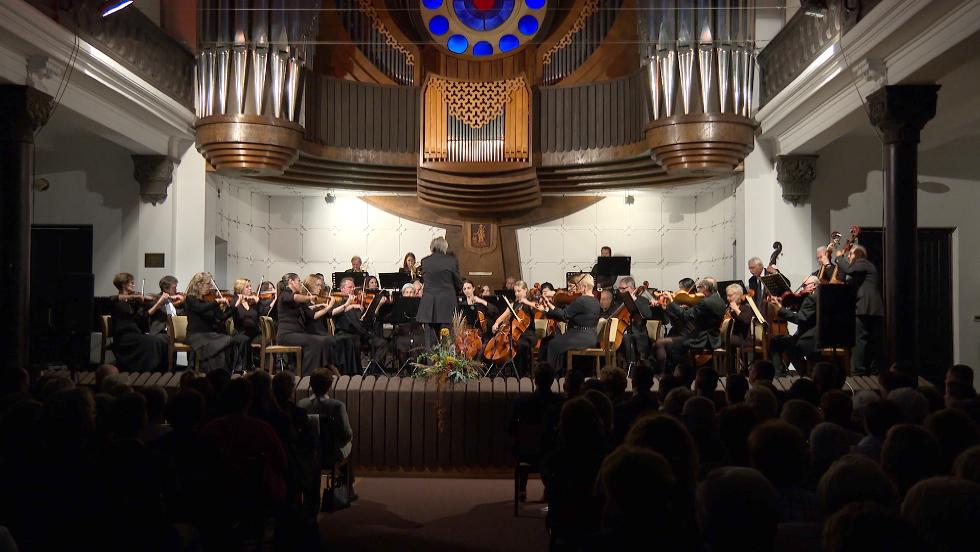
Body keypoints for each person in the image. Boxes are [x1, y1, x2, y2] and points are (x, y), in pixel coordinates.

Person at [654, 278, 726, 374]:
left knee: (663, 344)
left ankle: (675, 374)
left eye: (699, 287)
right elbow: (701, 315)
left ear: (705, 287)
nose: (698, 290)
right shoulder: (719, 300)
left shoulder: (705, 302)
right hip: (712, 338)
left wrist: (671, 302)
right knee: (668, 343)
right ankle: (678, 372)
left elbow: (685, 316)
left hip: (701, 339)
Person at [833, 244, 884, 374]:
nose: (849, 257)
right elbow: (841, 279)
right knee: (866, 341)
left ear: (858, 254)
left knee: (862, 341)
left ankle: (860, 371)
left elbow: (849, 270)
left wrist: (839, 258)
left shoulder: (863, 263)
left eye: (850, 254)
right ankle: (866, 371)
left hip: (867, 307)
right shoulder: (860, 270)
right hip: (868, 308)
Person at [538, 273, 601, 375]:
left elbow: (564, 315)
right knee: (550, 341)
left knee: (553, 344)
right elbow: (567, 314)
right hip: (590, 336)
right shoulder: (594, 300)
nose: (577, 288)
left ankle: (552, 376)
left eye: (579, 285)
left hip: (580, 336)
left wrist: (545, 310)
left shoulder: (581, 300)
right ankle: (559, 373)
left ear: (584, 287)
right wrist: (549, 305)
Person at [275, 273, 335, 375]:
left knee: (323, 340)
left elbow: (311, 313)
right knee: (315, 342)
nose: (300, 284)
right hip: (286, 335)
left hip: (297, 334)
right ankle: (307, 376)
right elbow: (295, 298)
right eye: (298, 281)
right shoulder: (284, 294)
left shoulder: (299, 298)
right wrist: (309, 298)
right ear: (291, 281)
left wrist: (319, 306)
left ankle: (321, 372)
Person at [182, 272, 242, 373]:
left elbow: (221, 317)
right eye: (208, 284)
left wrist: (234, 307)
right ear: (199, 284)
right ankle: (211, 371)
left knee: (228, 341)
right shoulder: (190, 299)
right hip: (196, 335)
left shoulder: (210, 300)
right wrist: (216, 302)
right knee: (225, 341)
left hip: (210, 334)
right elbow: (200, 308)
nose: (210, 287)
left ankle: (223, 372)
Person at [107, 272, 167, 372]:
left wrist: (143, 304)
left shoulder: (131, 303)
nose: (133, 285)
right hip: (124, 337)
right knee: (152, 342)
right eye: (131, 283)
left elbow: (142, 317)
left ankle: (156, 370)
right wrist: (135, 297)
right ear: (123, 284)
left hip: (135, 333)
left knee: (159, 341)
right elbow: (112, 298)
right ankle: (145, 369)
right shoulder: (116, 302)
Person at [768, 275, 819, 376]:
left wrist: (780, 309)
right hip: (809, 334)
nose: (802, 289)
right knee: (781, 341)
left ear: (814, 286)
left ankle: (781, 374)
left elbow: (799, 319)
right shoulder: (814, 296)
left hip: (810, 337)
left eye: (804, 285)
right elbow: (799, 310)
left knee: (781, 343)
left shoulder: (813, 298)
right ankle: (800, 373)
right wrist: (782, 303)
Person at [416, 236, 463, 341]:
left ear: (432, 247)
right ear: (444, 247)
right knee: (447, 342)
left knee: (430, 343)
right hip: (447, 305)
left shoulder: (425, 261)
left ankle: (430, 358)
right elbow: (459, 283)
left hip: (428, 306)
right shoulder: (451, 261)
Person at [490, 281, 538, 375]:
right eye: (515, 291)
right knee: (506, 342)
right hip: (515, 332)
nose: (516, 293)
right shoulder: (514, 304)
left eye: (519, 291)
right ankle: (509, 372)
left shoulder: (532, 302)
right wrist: (496, 323)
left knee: (521, 345)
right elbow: (504, 315)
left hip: (528, 334)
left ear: (525, 290)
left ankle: (523, 373)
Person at [613, 276, 654, 363]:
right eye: (619, 288)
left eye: (623, 288)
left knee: (626, 337)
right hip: (621, 329)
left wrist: (634, 300)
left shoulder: (642, 300)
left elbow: (648, 314)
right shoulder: (619, 300)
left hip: (637, 332)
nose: (620, 291)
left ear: (632, 289)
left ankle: (631, 365)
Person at [231, 278, 262, 370]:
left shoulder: (252, 302)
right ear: (240, 289)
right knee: (244, 339)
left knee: (248, 337)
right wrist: (237, 302)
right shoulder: (235, 301)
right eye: (247, 287)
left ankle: (248, 366)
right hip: (240, 331)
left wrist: (258, 302)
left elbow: (262, 314)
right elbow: (233, 313)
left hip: (255, 332)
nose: (250, 289)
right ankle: (242, 367)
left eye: (250, 286)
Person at [147, 275, 183, 343]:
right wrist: (160, 302)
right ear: (166, 289)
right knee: (164, 339)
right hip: (161, 332)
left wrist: (183, 301)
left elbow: (183, 313)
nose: (176, 290)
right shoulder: (156, 299)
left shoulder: (176, 301)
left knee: (195, 339)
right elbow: (149, 313)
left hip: (176, 332)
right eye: (174, 288)